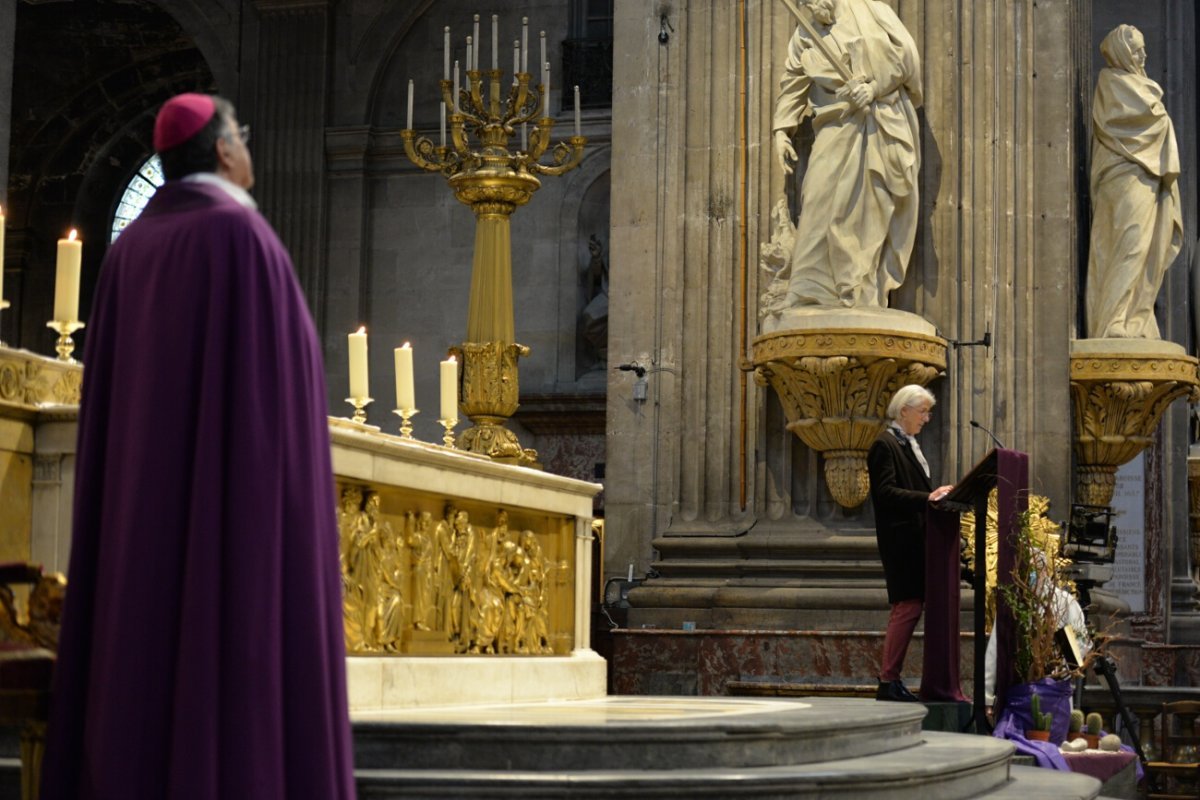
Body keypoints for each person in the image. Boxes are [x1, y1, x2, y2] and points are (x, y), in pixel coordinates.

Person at [41, 93, 356, 799]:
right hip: (234, 522)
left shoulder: (129, 253)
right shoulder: (241, 239)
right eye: (241, 133)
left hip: (137, 525)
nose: (247, 145)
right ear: (221, 150)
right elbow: (274, 414)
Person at [772, 0, 922, 309]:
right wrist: (780, 131)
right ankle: (808, 289)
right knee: (816, 197)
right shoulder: (805, 33)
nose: (808, 4)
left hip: (878, 126)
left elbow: (907, 60)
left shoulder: (873, 11)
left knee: (868, 207)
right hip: (834, 128)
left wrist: (875, 87)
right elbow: (793, 82)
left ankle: (857, 290)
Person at [1086, 24, 1182, 339]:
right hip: (1124, 176)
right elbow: (1131, 122)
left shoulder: (1140, 86)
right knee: (1128, 244)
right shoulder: (1112, 83)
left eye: (1142, 48)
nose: (1143, 54)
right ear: (1122, 52)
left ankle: (1137, 318)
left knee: (1148, 248)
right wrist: (1161, 121)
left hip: (1148, 174)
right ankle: (1112, 320)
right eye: (1137, 49)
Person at [867, 384, 953, 702]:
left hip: (917, 539)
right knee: (906, 606)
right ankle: (888, 680)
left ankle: (891, 679)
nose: (927, 418)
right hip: (901, 541)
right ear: (903, 410)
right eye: (923, 411)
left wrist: (935, 494)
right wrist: (927, 498)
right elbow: (885, 493)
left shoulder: (907, 444)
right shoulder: (884, 445)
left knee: (911, 606)